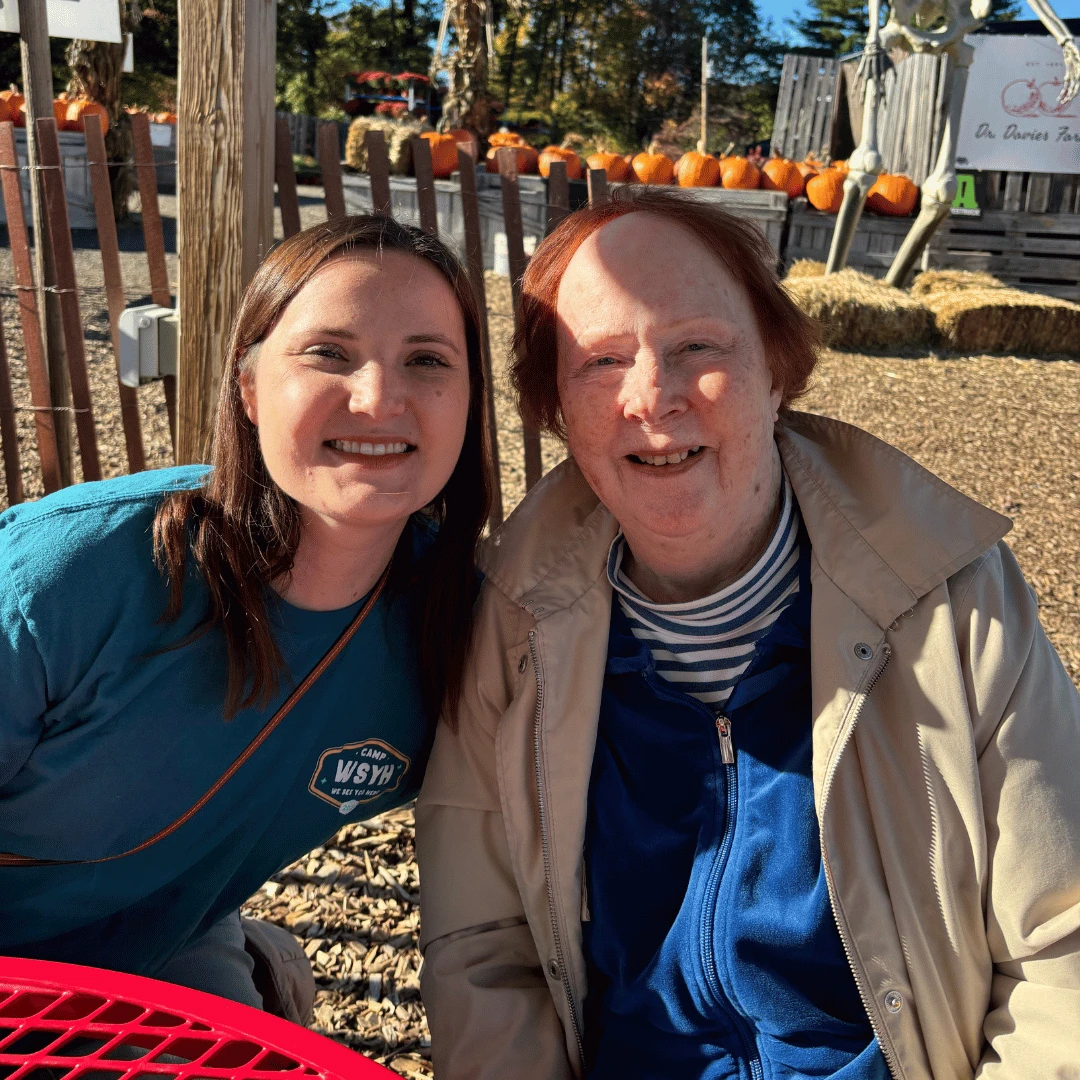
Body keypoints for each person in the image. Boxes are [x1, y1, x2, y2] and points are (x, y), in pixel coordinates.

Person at [416, 188, 1080, 1079]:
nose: (653, 396)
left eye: (698, 346)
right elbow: (483, 947)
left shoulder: (948, 600)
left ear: (777, 369)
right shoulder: (511, 621)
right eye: (602, 362)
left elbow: (1061, 948)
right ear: (557, 409)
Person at [0, 214, 492, 1021]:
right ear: (250, 388)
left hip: (162, 948)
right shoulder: (67, 577)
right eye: (329, 353)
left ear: (470, 401)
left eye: (427, 360)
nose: (378, 397)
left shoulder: (464, 630)